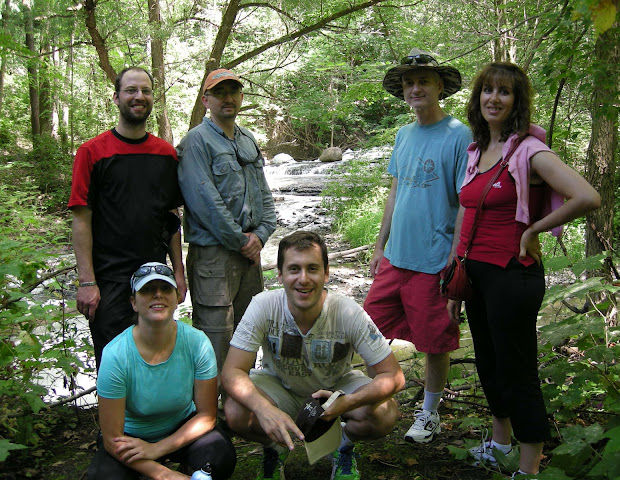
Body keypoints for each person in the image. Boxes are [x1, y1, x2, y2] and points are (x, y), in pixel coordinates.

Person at [447, 62, 600, 478]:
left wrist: (534, 228)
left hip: (513, 275)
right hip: (475, 277)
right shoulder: (477, 150)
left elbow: (587, 196)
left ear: (516, 101)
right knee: (489, 364)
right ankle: (500, 445)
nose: (494, 98)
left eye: (504, 92)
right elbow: (466, 212)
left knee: (517, 371)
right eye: (487, 90)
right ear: (478, 98)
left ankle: (529, 468)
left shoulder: (529, 150)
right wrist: (456, 276)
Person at [221, 231, 405, 480]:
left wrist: (349, 402)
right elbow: (232, 371)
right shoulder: (263, 306)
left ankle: (342, 445)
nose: (303, 279)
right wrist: (263, 408)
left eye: (313, 268)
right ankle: (275, 449)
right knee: (235, 410)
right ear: (280, 274)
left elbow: (393, 376)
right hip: (279, 387)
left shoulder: (349, 312)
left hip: (336, 388)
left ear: (326, 273)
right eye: (294, 269)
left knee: (384, 413)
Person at [363, 48, 473, 444]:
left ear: (439, 86)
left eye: (423, 81)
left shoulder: (460, 135)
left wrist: (455, 258)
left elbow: (465, 200)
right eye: (409, 83)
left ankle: (429, 413)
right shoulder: (404, 134)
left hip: (434, 259)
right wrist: (379, 246)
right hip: (396, 256)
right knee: (367, 330)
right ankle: (375, 400)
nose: (415, 88)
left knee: (434, 341)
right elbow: (395, 192)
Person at [68, 67, 186, 369]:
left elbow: (171, 218)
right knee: (113, 366)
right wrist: (87, 282)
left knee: (157, 361)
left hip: (155, 277)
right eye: (131, 90)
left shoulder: (165, 154)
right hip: (110, 281)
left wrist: (179, 273)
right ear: (116, 97)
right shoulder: (92, 153)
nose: (139, 96)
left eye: (145, 91)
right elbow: (81, 220)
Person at [87, 262, 236, 480]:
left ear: (177, 298)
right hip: (131, 437)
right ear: (133, 303)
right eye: (147, 290)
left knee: (220, 457)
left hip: (180, 427)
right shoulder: (116, 354)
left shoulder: (197, 343)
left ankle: (188, 469)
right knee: (104, 476)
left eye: (165, 288)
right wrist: (165, 475)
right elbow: (112, 440)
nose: (158, 295)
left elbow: (206, 416)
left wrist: (157, 449)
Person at [177, 68, 276, 371]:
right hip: (214, 256)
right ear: (206, 100)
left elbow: (264, 193)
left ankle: (241, 396)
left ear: (241, 97)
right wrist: (242, 241)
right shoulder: (196, 142)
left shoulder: (247, 139)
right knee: (215, 341)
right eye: (219, 93)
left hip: (250, 254)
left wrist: (262, 234)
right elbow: (205, 202)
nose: (227, 98)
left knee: (249, 333)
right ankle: (214, 400)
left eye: (233, 92)